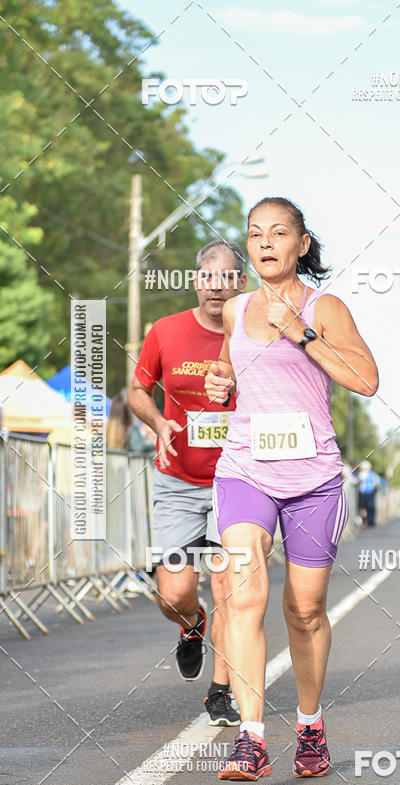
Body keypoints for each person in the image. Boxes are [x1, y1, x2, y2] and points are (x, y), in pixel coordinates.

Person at [205, 196, 378, 781]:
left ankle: (309, 724)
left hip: (313, 479)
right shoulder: (235, 310)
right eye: (256, 233)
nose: (266, 242)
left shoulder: (324, 307)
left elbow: (366, 380)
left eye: (279, 233)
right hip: (245, 469)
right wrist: (222, 383)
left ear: (302, 244)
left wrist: (301, 333)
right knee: (243, 595)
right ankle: (251, 740)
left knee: (304, 611)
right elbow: (232, 373)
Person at [128, 240, 247, 727]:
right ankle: (192, 625)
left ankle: (221, 691)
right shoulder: (166, 330)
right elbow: (138, 390)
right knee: (174, 593)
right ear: (197, 281)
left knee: (228, 587)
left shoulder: (254, 335)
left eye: (227, 278)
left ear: (241, 283)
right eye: (209, 277)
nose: (217, 287)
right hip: (178, 481)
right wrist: (158, 422)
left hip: (236, 480)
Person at [358, 459, 379, 527]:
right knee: (367, 507)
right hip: (366, 493)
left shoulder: (370, 474)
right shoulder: (365, 474)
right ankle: (367, 521)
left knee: (367, 507)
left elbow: (376, 484)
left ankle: (368, 521)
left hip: (367, 493)